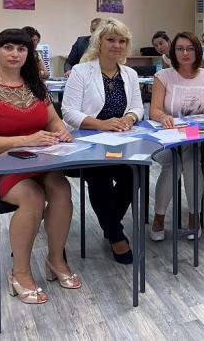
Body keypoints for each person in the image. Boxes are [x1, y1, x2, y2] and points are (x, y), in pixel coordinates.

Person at [0, 28, 81, 306]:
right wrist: (27, 139)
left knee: (61, 189)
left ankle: (55, 259)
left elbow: (53, 120)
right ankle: (20, 272)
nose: (15, 53)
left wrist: (61, 131)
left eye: (22, 49)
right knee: (32, 196)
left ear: (29, 54)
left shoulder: (35, 85)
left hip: (34, 158)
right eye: (9, 47)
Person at [61, 18, 145, 264]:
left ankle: (110, 224)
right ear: (99, 42)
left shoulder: (130, 74)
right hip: (87, 141)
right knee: (100, 177)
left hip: (120, 140)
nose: (117, 45)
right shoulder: (81, 71)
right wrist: (102, 124)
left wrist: (129, 117)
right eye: (111, 39)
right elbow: (69, 112)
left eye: (122, 41)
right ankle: (116, 236)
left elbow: (138, 107)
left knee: (135, 174)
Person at [149, 31, 204, 241]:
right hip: (167, 137)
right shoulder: (163, 76)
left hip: (197, 136)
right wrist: (163, 116)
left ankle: (194, 216)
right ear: (173, 52)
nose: (185, 53)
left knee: (190, 155)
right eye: (180, 49)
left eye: (189, 49)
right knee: (174, 162)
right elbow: (154, 110)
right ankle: (159, 217)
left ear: (197, 51)